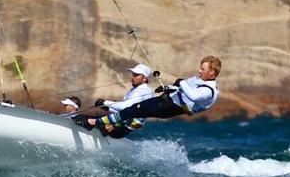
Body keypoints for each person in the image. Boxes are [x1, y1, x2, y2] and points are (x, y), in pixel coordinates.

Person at [83, 56, 221, 130]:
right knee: (133, 110)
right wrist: (169, 87)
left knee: (132, 111)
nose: (199, 71)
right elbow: (181, 89)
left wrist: (181, 82)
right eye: (200, 68)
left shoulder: (207, 91)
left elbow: (193, 96)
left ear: (212, 72)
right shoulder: (199, 79)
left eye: (203, 69)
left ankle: (94, 122)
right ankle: (116, 125)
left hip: (170, 108)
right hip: (167, 100)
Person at [74, 64, 155, 138]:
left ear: (145, 78)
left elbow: (126, 107)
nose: (133, 77)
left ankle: (92, 127)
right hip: (123, 122)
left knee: (84, 120)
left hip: (125, 125)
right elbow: (125, 109)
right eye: (133, 74)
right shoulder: (136, 89)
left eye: (136, 75)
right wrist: (108, 108)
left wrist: (105, 103)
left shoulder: (143, 91)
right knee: (86, 118)